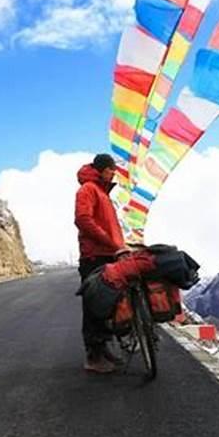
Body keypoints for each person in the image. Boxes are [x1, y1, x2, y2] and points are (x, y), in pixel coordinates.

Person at [74, 153, 127, 373]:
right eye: (111, 169)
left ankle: (103, 349)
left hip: (109, 254)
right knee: (94, 304)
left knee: (107, 304)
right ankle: (93, 356)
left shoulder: (102, 193)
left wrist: (119, 246)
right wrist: (109, 241)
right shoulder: (88, 189)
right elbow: (83, 219)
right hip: (94, 256)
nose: (114, 172)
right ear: (102, 169)